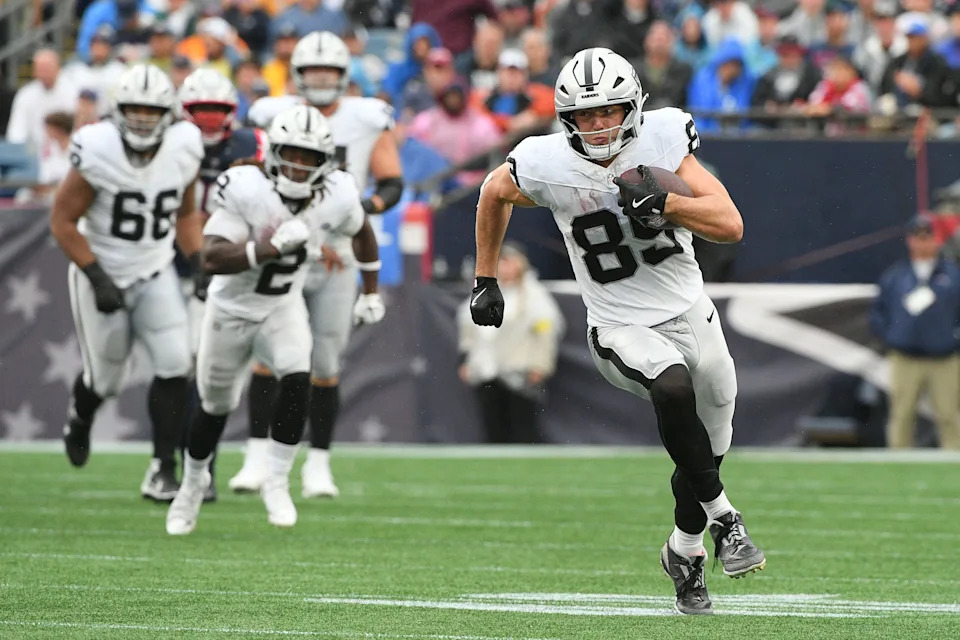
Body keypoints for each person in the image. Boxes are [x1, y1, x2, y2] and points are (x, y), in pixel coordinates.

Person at [471, 47, 765, 615]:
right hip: (619, 323)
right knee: (673, 387)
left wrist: (670, 204)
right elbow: (492, 192)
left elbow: (730, 225)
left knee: (706, 443)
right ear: (565, 119)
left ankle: (684, 551)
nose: (598, 124)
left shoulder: (663, 140)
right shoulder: (546, 161)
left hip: (691, 310)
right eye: (585, 115)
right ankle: (727, 519)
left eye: (609, 111)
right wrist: (486, 277)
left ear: (632, 108)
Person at [166, 104, 381, 535]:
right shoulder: (246, 187)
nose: (298, 166)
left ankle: (278, 481)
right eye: (291, 153)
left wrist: (371, 291)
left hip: (281, 306)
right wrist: (266, 249)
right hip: (230, 310)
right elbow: (210, 257)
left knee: (299, 374)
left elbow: (361, 229)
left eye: (309, 157)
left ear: (326, 163)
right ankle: (191, 485)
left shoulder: (337, 192)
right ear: (273, 151)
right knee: (214, 407)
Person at [238, 31, 400, 498]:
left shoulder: (366, 118)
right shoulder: (273, 114)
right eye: (313, 72)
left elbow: (391, 183)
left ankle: (318, 465)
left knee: (325, 362)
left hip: (338, 259)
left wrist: (352, 216)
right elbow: (256, 179)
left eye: (330, 72)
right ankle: (256, 458)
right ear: (298, 75)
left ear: (344, 76)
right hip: (283, 251)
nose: (322, 80)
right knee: (268, 357)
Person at [49, 64, 205, 501]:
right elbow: (62, 221)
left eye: (151, 111)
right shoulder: (97, 147)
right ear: (118, 111)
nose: (141, 119)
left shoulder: (185, 146)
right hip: (100, 268)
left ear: (168, 115)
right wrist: (96, 275)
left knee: (176, 363)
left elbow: (186, 213)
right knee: (107, 381)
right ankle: (81, 416)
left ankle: (162, 468)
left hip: (155, 268)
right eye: (134, 109)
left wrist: (197, 260)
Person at [177, 68, 268, 500]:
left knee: (209, 370)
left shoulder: (249, 145)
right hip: (172, 263)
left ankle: (202, 466)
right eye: (201, 111)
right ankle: (172, 462)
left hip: (229, 265)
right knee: (177, 366)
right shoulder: (172, 144)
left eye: (218, 111)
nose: (210, 120)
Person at [457, 242, 564, 444]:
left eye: (508, 262)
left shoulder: (533, 296)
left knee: (522, 426)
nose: (504, 268)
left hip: (519, 371)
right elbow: (468, 330)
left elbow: (545, 331)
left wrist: (540, 364)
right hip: (486, 370)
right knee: (492, 427)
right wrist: (466, 360)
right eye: (500, 262)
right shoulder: (482, 293)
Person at [869, 216, 960, 449]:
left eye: (927, 237)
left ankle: (953, 464)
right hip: (905, 358)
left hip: (945, 359)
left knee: (949, 415)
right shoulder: (895, 276)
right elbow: (878, 313)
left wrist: (953, 338)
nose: (922, 243)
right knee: (902, 414)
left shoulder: (952, 275)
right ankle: (897, 466)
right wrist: (892, 337)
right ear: (909, 241)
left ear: (937, 240)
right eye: (917, 238)